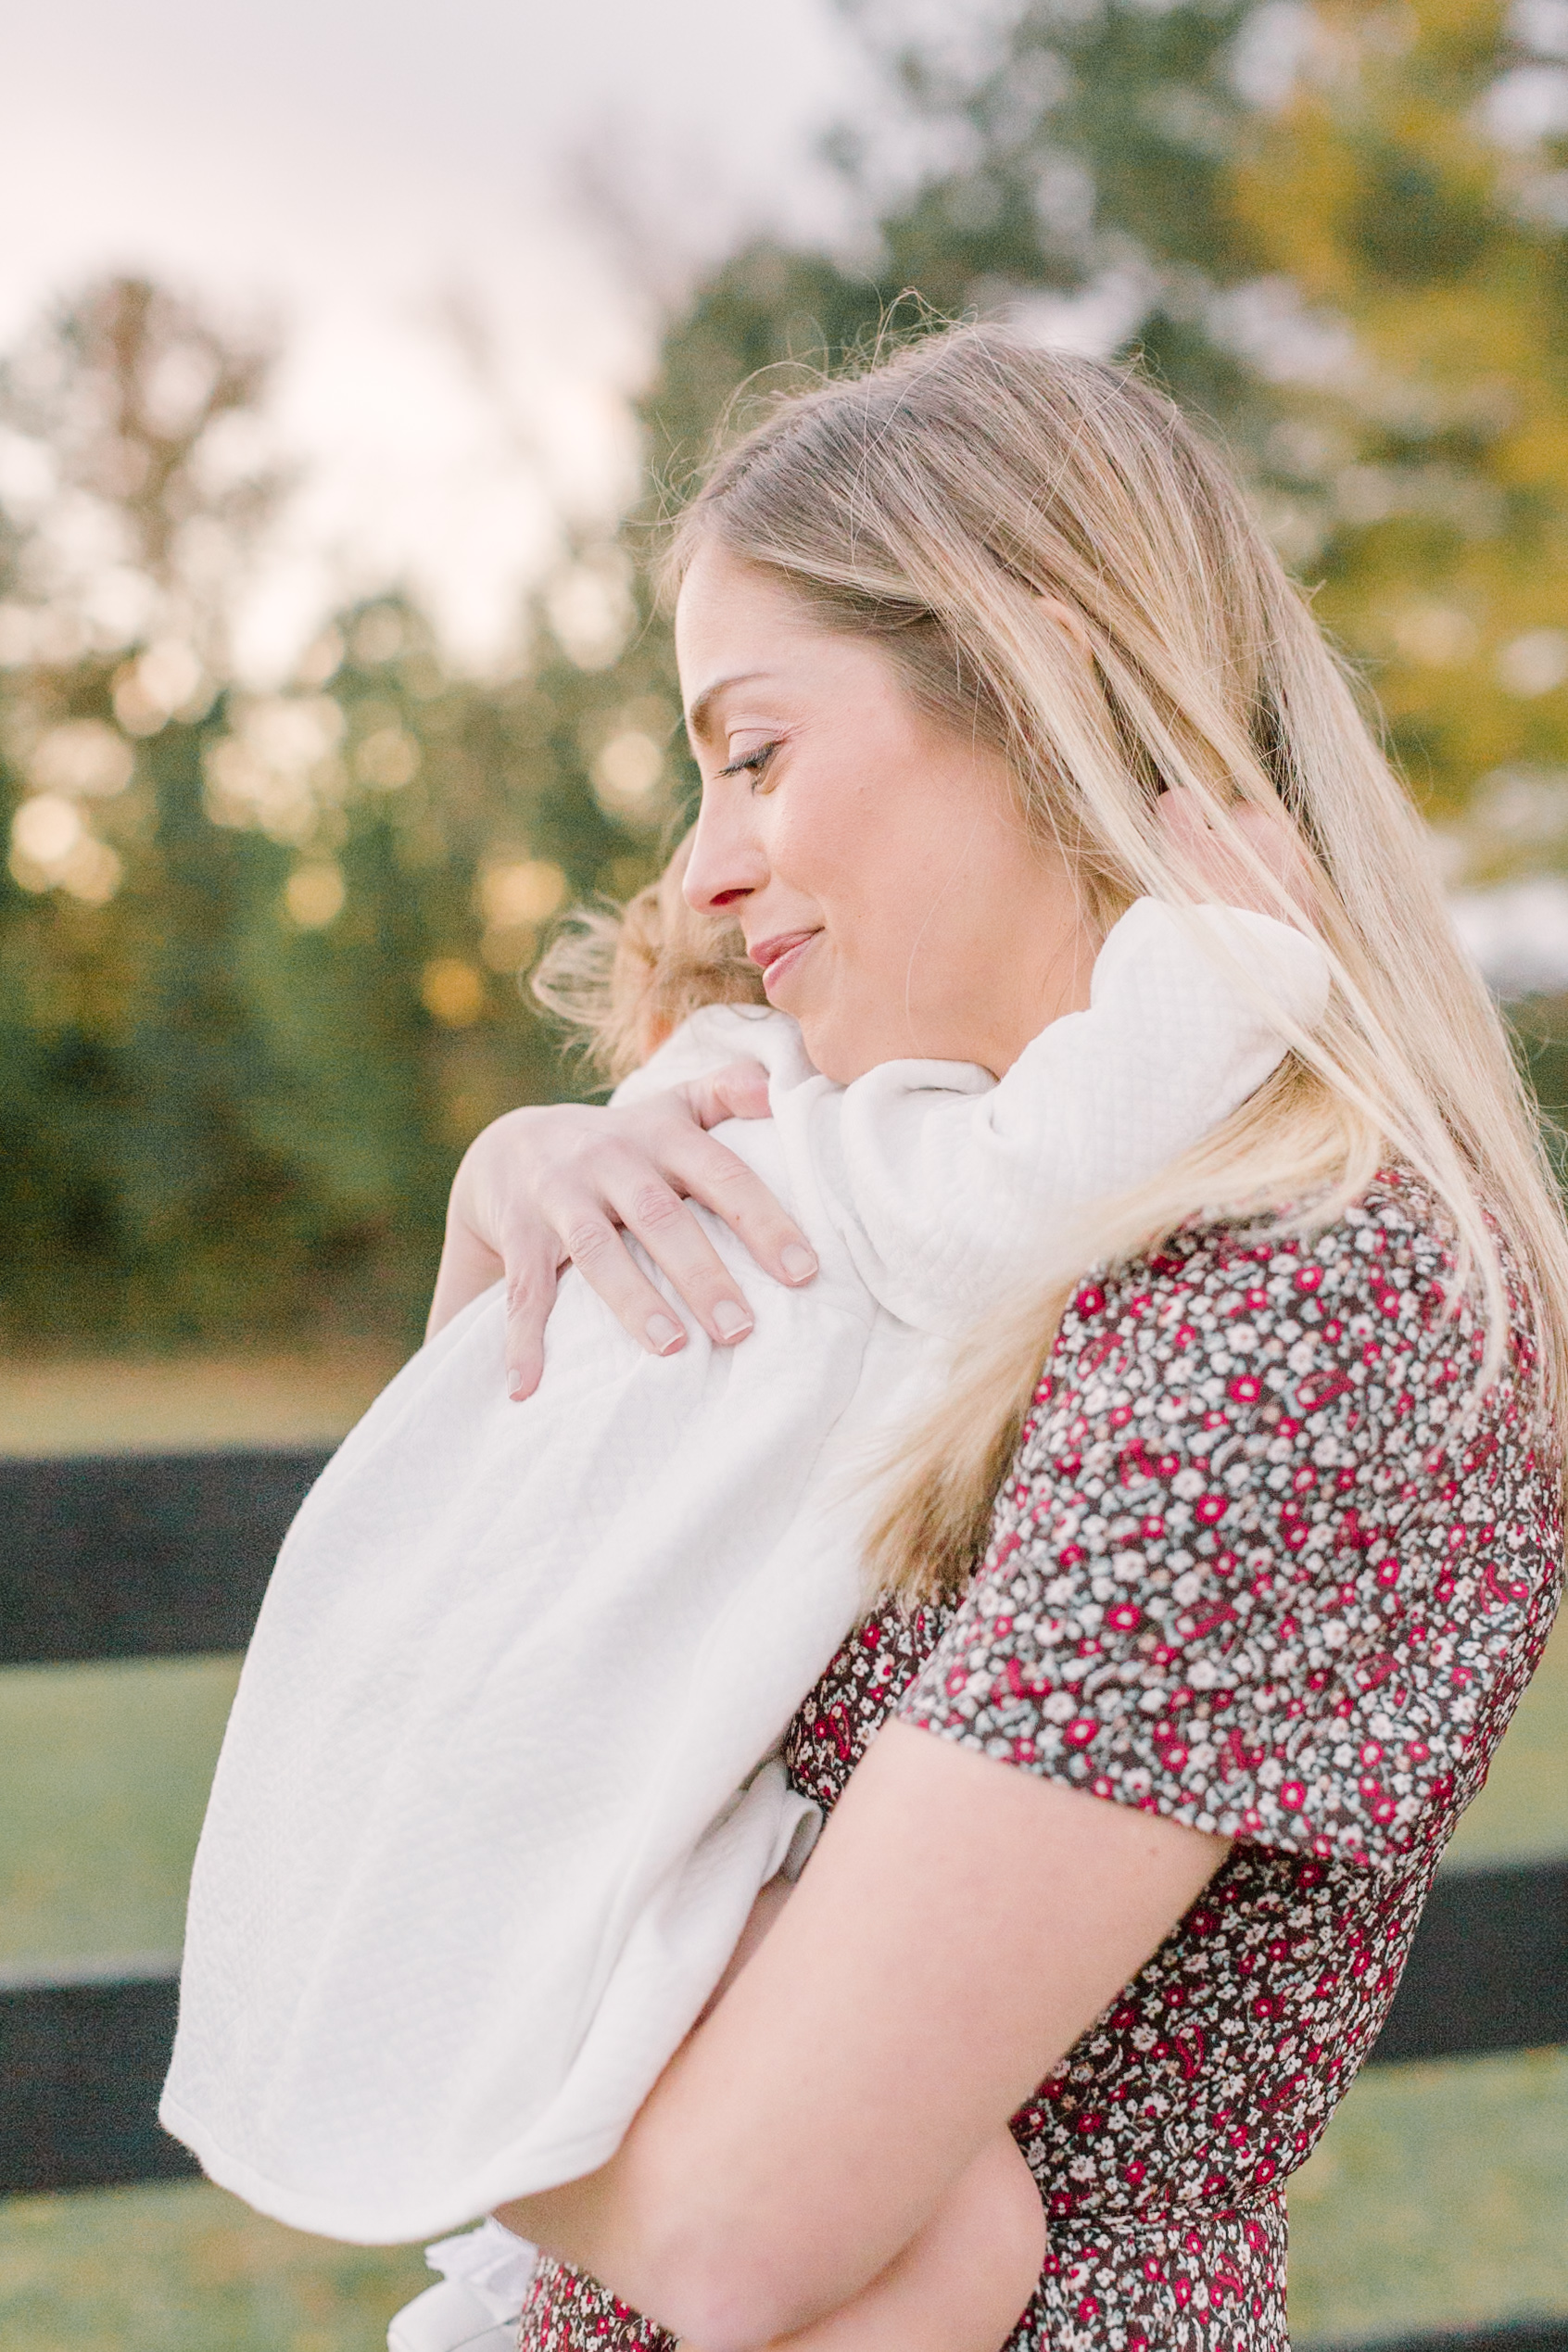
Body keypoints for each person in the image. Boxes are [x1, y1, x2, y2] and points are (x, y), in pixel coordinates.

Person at [411, 324, 1566, 2352]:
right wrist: (506, 1253)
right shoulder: (940, 1235)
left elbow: (744, 2235)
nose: (702, 869)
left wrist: (382, 1985)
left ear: (1044, 688)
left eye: (753, 752)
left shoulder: (1296, 1321)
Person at [161, 783, 1326, 2257]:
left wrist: (497, 1171)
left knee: (789, 2215)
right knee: (951, 2255)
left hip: (462, 1724)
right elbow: (1020, 1200)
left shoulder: (703, 1134)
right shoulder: (784, 1118)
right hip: (545, 1748)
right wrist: (1222, 958)